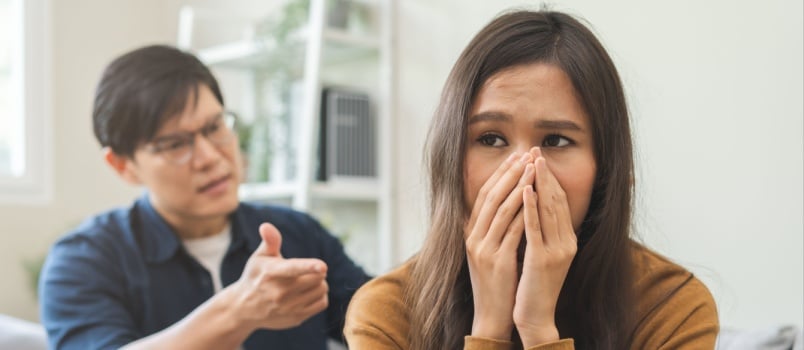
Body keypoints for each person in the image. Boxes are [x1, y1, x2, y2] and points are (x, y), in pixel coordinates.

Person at [344, 9, 718, 350]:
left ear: (605, 169)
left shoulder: (672, 308)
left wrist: (538, 328)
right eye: (491, 139)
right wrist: (490, 327)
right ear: (451, 160)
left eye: (556, 141)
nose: (524, 173)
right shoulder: (386, 314)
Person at [39, 45, 371, 350]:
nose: (210, 157)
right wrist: (238, 311)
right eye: (175, 144)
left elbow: (379, 318)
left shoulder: (298, 234)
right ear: (123, 166)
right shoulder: (84, 261)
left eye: (214, 128)